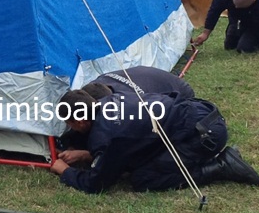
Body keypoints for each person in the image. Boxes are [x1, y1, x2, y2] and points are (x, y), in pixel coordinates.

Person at [49, 88, 259, 194]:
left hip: (203, 136)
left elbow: (97, 183)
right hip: (204, 114)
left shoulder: (106, 135)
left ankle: (221, 166)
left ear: (80, 121)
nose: (70, 128)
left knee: (143, 179)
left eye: (70, 124)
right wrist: (88, 154)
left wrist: (65, 171)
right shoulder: (111, 99)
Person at [56, 65, 195, 164]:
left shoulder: (130, 107)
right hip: (149, 76)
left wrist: (87, 155)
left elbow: (126, 151)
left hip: (180, 91)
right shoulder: (94, 88)